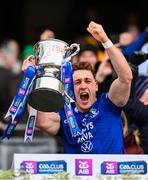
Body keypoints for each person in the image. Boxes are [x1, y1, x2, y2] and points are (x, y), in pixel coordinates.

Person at [22, 21, 132, 154]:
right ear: (70, 89)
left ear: (95, 85)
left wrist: (105, 41)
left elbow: (126, 78)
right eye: (77, 82)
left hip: (110, 174)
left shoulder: (108, 104)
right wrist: (31, 79)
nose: (83, 86)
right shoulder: (65, 114)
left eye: (87, 81)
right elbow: (40, 121)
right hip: (78, 175)